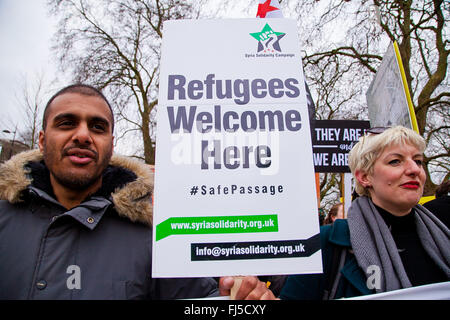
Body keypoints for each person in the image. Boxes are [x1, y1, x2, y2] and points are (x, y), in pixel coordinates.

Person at [0, 83, 274, 300]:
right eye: (67, 123)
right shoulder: (5, 218)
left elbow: (205, 302)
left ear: (111, 143)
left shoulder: (155, 237)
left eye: (97, 127)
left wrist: (240, 302)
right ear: (42, 138)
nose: (83, 135)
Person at [279, 126, 450, 300]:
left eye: (418, 161)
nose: (414, 169)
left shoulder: (444, 232)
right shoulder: (326, 244)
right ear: (365, 177)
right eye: (395, 161)